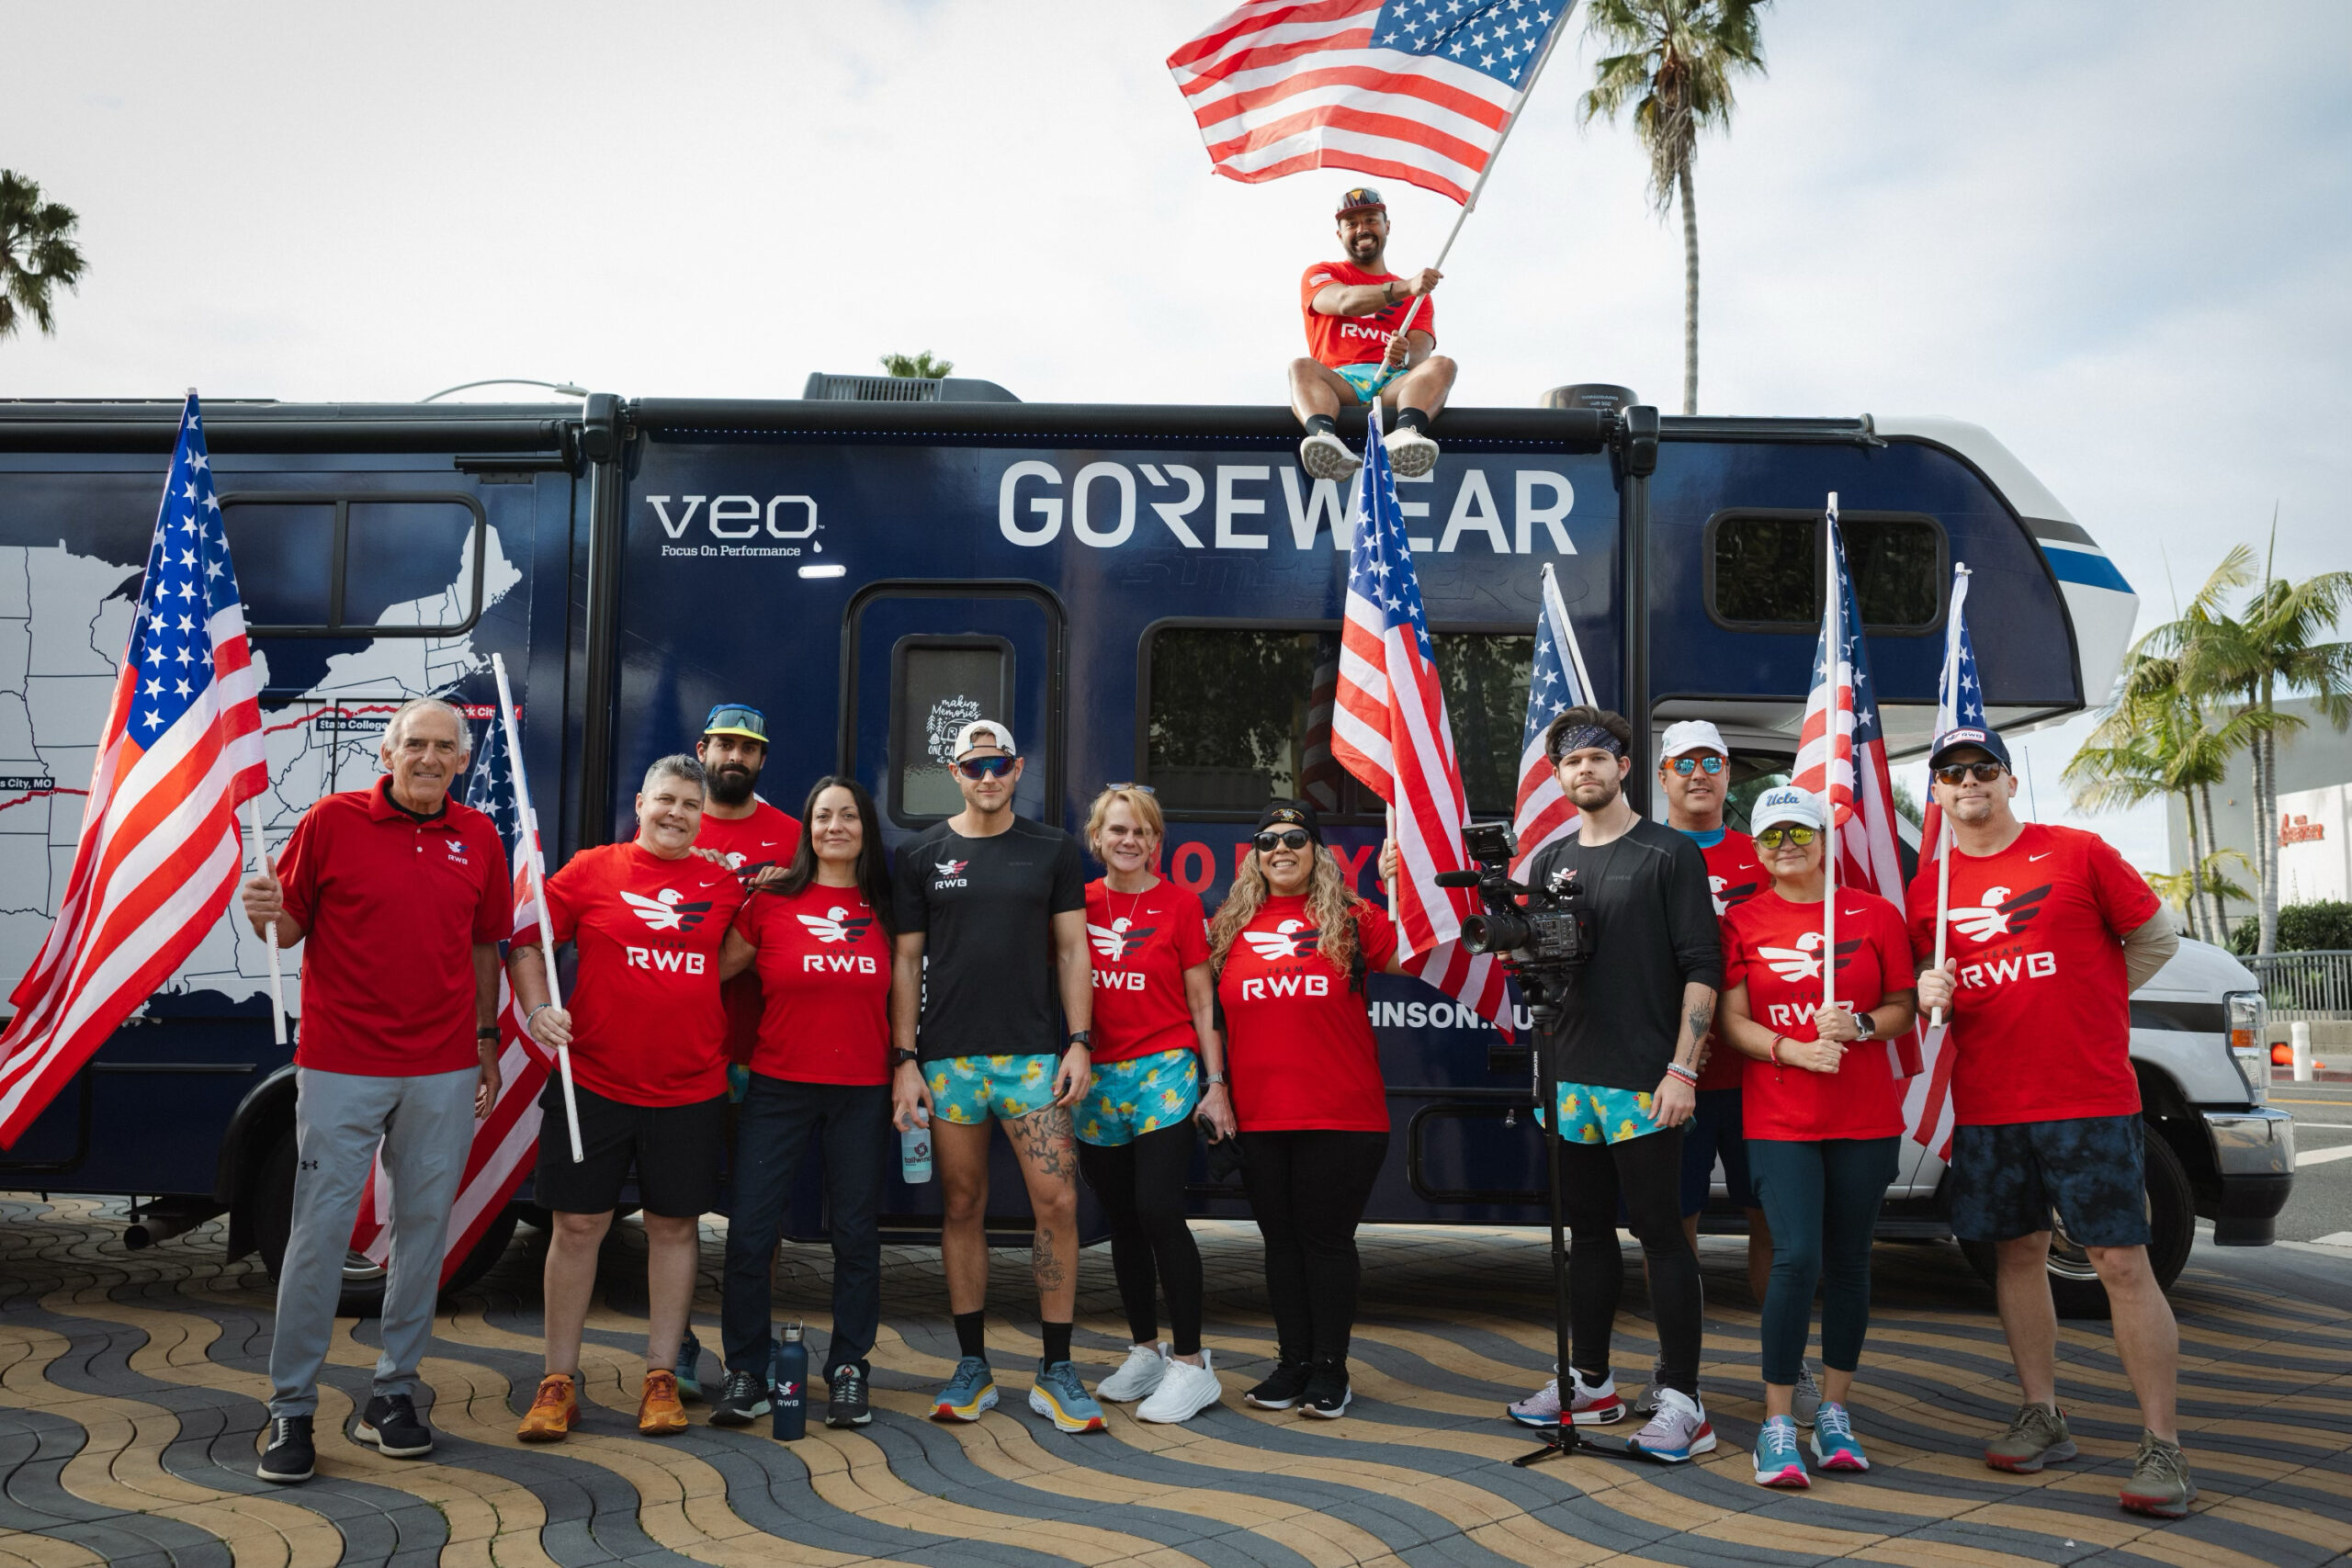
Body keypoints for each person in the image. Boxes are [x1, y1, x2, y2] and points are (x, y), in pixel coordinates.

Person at [1910, 726, 2191, 1518]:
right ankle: (2043, 1413)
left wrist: (2095, 995)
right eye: (1953, 772)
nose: (1969, 781)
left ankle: (2163, 1445)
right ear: (1936, 793)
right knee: (2017, 1253)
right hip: (1993, 1102)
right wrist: (1932, 990)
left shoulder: (2076, 850)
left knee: (2121, 1262)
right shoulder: (1928, 887)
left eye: (1984, 768)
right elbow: (1922, 991)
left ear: (2008, 781)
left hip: (2089, 1097)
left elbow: (2156, 938)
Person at [239, 697, 507, 1483]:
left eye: (443, 747)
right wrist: (264, 913)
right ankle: (291, 1407)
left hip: (445, 1065)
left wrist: (488, 1041)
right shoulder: (329, 821)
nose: (428, 757)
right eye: (414, 743)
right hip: (342, 1063)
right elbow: (285, 929)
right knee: (319, 1235)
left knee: (425, 1234)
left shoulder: (479, 835)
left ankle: (394, 1393)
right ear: (386, 752)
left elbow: (485, 942)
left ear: (462, 760)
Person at [508, 756, 750, 1442]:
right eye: (665, 799)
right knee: (577, 1228)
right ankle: (558, 1382)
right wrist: (535, 1010)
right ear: (640, 802)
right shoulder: (592, 869)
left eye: (690, 804)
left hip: (690, 1087)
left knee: (675, 1227)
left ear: (703, 816)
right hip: (593, 1083)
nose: (676, 812)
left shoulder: (721, 882)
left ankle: (661, 1375)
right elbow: (526, 939)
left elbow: (735, 954)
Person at [1505, 707, 1724, 1461]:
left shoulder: (1668, 854)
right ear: (1559, 777)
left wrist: (1681, 1069)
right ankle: (1591, 1382)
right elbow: (1543, 969)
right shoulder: (1550, 860)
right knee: (1586, 1235)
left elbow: (1703, 965)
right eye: (1570, 762)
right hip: (1571, 1081)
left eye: (1597, 757)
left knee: (1662, 1236)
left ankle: (1684, 1400)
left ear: (1625, 767)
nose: (1585, 770)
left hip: (1646, 1080)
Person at [890, 720, 1103, 1433]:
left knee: (1059, 1205)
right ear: (955, 772)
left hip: (1033, 1059)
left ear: (1019, 770)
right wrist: (904, 1058)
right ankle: (973, 1364)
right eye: (975, 765)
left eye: (1002, 764)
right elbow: (906, 962)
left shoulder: (1052, 849)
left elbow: (1075, 951)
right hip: (949, 1060)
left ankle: (1057, 1368)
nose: (989, 776)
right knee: (960, 1205)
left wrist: (1078, 1041)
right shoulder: (921, 853)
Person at [1718, 786, 1918, 1488]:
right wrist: (1790, 1050)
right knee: (1796, 1256)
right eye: (1772, 836)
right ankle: (1777, 1424)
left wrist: (1861, 1026)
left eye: (1799, 832)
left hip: (1865, 1116)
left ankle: (1834, 1413)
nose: (1786, 847)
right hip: (1780, 1117)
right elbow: (1731, 1022)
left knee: (1851, 1261)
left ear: (1825, 837)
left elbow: (1902, 1006)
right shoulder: (1741, 922)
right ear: (1757, 849)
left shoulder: (1876, 915)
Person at [1211, 801, 1411, 1420]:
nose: (1280, 848)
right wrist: (1215, 1086)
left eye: (1295, 837)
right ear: (1254, 853)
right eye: (1267, 838)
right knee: (1280, 1243)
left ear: (1316, 850)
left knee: (1325, 1243)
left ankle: (1331, 1369)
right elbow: (1205, 1013)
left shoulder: (1352, 916)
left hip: (1342, 1113)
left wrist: (1399, 887)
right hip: (1259, 1115)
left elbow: (1406, 956)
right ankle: (1292, 1361)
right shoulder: (1228, 924)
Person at [708, 776, 894, 1431]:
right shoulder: (771, 902)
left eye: (847, 815)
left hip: (864, 1090)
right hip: (778, 1086)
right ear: (806, 829)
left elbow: (906, 997)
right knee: (751, 1232)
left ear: (865, 827)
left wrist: (906, 1068)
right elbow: (707, 970)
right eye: (822, 815)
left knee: (855, 1235)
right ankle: (748, 1371)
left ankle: (848, 1369)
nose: (834, 826)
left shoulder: (887, 905)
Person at [1078, 784, 1234, 1425]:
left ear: (1156, 840)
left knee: (1158, 1209)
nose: (1129, 841)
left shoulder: (1179, 903)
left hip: (1165, 1071)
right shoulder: (1078, 903)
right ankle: (1145, 1349)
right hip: (1097, 1079)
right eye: (1118, 829)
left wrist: (1215, 1081)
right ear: (1098, 838)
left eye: (1142, 831)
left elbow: (1202, 1002)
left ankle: (1193, 1364)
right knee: (1121, 1219)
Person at [678, 700, 803, 1397]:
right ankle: (683, 1342)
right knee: (680, 1206)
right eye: (724, 744)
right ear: (703, 748)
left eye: (747, 748)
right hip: (684, 1046)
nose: (734, 756)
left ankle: (746, 1348)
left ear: (761, 759)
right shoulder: (673, 819)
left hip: (762, 1051)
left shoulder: (790, 835)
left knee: (758, 1211)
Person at [1289, 185, 1456, 483]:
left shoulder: (1419, 297)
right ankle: (1325, 439)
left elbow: (1420, 356)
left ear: (1386, 226)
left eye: (1370, 219)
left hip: (1394, 385)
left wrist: (1402, 355)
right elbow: (1343, 301)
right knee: (1301, 367)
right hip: (1340, 383)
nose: (1362, 228)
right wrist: (1405, 288)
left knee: (1443, 365)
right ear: (1339, 234)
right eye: (1351, 223)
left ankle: (1405, 433)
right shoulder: (1321, 272)